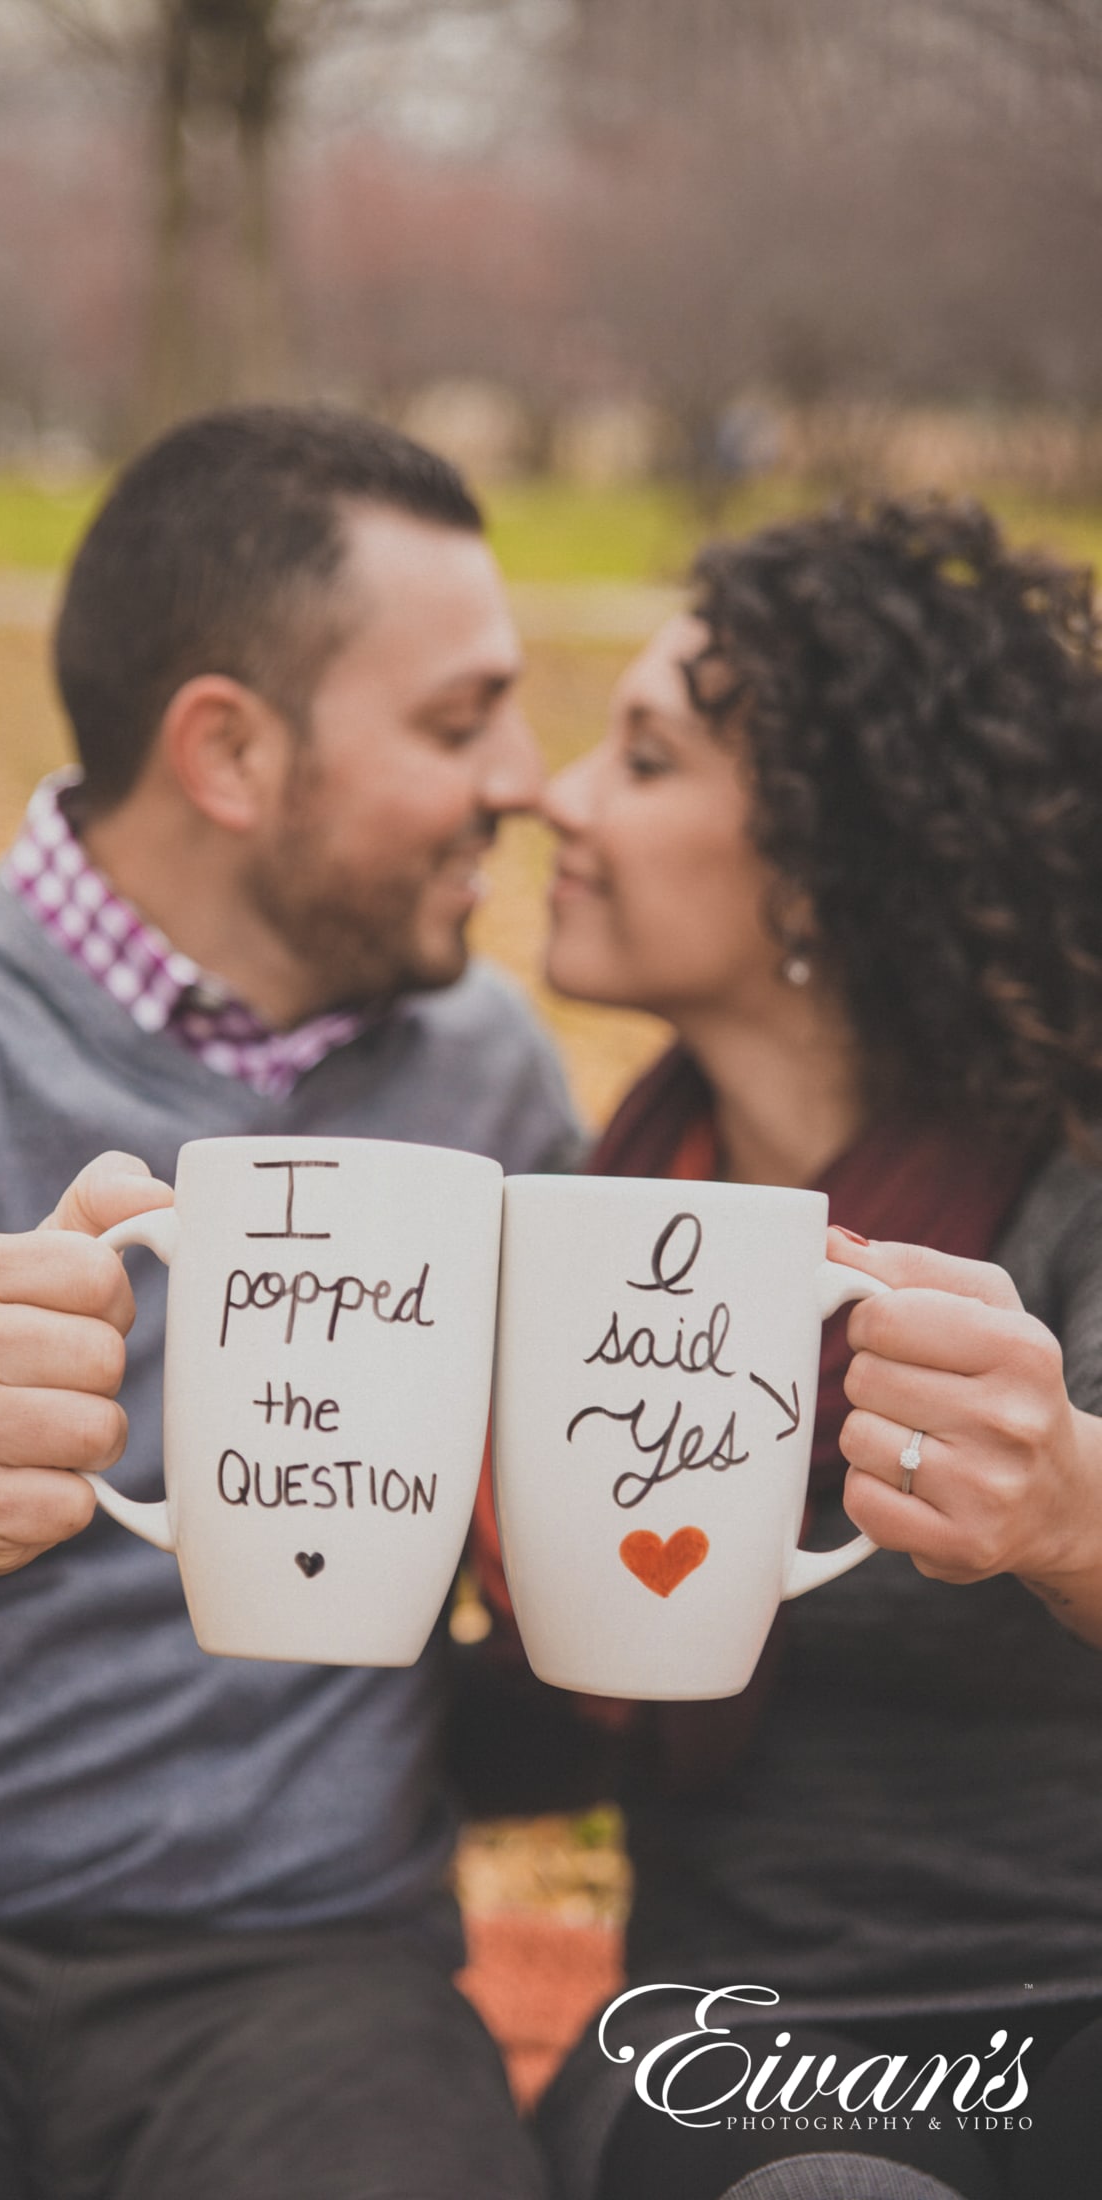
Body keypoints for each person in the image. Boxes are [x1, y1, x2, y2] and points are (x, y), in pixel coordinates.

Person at [0, 405, 580, 2200]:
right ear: (227, 750)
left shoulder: (488, 1077)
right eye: (461, 722)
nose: (522, 777)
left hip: (303, 1993)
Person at [469, 498, 1102, 2200]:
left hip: (1048, 2054)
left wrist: (1073, 1518)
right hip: (712, 2058)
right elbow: (548, 1741)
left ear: (826, 864)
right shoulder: (616, 1204)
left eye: (648, 759)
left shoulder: (1072, 1200)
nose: (558, 798)